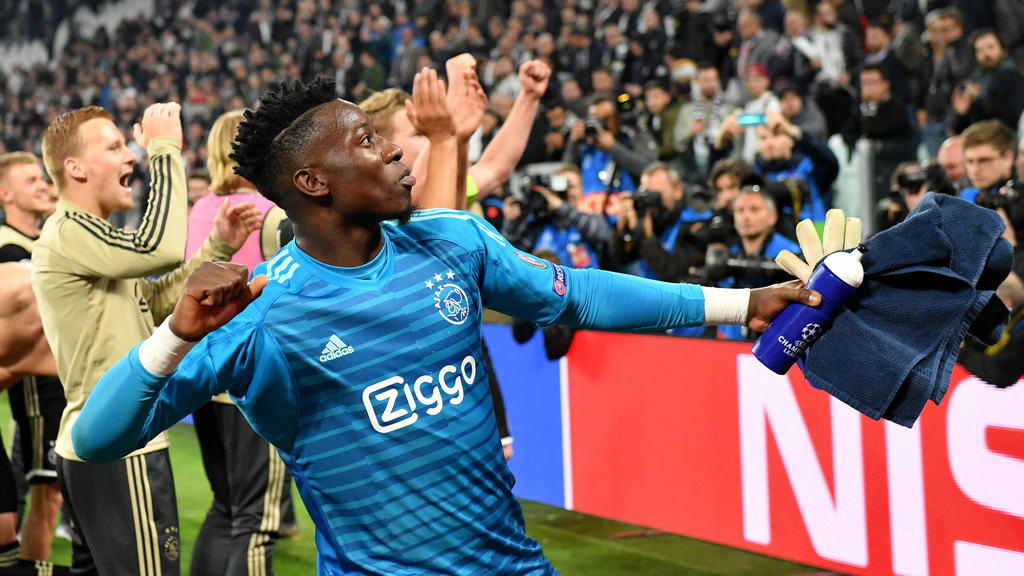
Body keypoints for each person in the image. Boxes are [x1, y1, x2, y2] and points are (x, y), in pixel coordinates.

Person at [71, 77, 820, 575]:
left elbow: (577, 295)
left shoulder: (451, 240)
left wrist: (738, 303)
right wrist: (175, 333)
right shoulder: (261, 318)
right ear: (311, 183)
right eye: (366, 140)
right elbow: (95, 440)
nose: (394, 148)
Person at [31, 102, 260, 575]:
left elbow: (157, 304)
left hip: (96, 439)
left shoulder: (88, 235)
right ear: (73, 167)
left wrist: (216, 247)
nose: (129, 156)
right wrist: (164, 148)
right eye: (114, 146)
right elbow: (159, 249)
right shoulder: (68, 229)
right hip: (121, 443)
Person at [184, 110, 294, 576]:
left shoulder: (201, 209)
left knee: (226, 508)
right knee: (256, 520)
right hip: (253, 378)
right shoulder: (272, 213)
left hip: (206, 374)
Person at [0, 152, 64, 565]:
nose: (42, 185)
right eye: (29, 180)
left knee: (55, 492)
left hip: (54, 379)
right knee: (49, 491)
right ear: (5, 194)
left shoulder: (36, 243)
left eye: (42, 178)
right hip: (37, 387)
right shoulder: (7, 247)